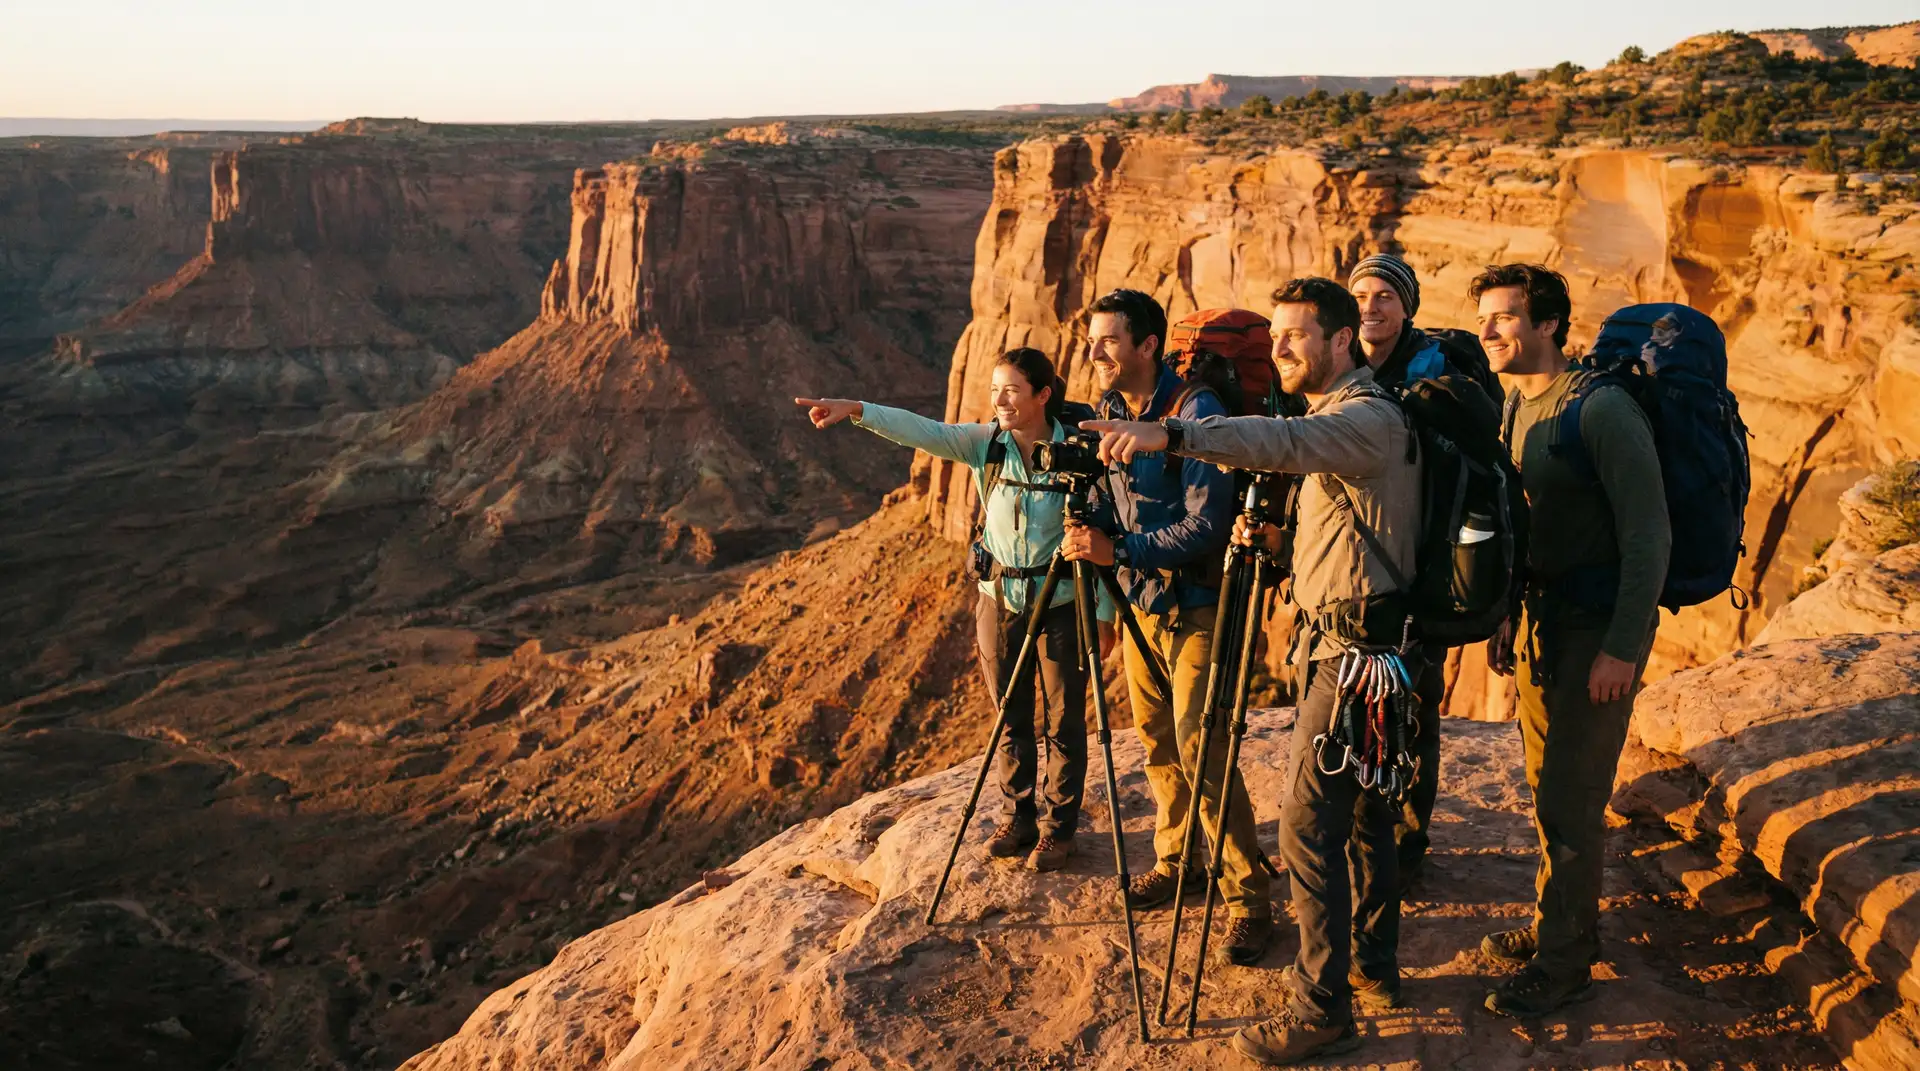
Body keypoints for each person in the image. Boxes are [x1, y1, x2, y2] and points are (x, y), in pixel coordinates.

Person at [1083, 277, 1426, 1065]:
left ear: (1341, 341)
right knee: (1368, 819)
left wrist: (1169, 438)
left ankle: (1321, 1007)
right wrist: (1274, 546)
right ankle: (1373, 965)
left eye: (1296, 336)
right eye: (1273, 337)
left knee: (1307, 827)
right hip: (1351, 649)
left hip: (1353, 659)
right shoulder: (1341, 418)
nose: (1279, 352)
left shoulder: (1362, 418)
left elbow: (1277, 446)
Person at [794, 348, 1088, 872]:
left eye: (1013, 390)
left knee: (1064, 721)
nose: (999, 399)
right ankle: (1018, 817)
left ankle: (1059, 829)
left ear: (1043, 395)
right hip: (998, 602)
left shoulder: (1080, 452)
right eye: (995, 388)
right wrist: (858, 409)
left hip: (1061, 603)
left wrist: (1104, 614)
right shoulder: (987, 447)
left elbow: (1098, 533)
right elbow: (923, 430)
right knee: (1010, 715)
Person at [1473, 263, 1671, 1018]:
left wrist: (1623, 645)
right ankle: (1564, 927)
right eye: (1485, 317)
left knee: (1572, 798)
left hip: (1595, 629)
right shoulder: (1515, 406)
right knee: (1543, 789)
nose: (1488, 331)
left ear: (1549, 323)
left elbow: (1649, 535)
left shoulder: (1603, 408)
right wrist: (1503, 614)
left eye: (1504, 317)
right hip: (1538, 624)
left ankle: (1563, 966)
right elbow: (1522, 525)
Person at [1060, 288, 1273, 965]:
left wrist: (1117, 551)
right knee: (1156, 739)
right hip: (1139, 605)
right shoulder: (1111, 411)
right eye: (1092, 339)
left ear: (1148, 346)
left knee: (1200, 746)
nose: (1094, 352)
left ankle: (1249, 897)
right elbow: (1110, 491)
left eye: (1109, 341)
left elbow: (1207, 521)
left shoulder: (1194, 413)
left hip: (1197, 604)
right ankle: (1179, 859)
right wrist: (1089, 521)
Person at [1347, 253, 1499, 891]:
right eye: (1362, 295)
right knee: (1348, 709)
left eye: (1386, 296)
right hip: (1353, 566)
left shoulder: (1433, 372)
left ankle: (1406, 844)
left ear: (1406, 307)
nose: (1373, 307)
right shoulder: (1343, 369)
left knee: (1410, 707)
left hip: (1421, 565)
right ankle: (1360, 842)